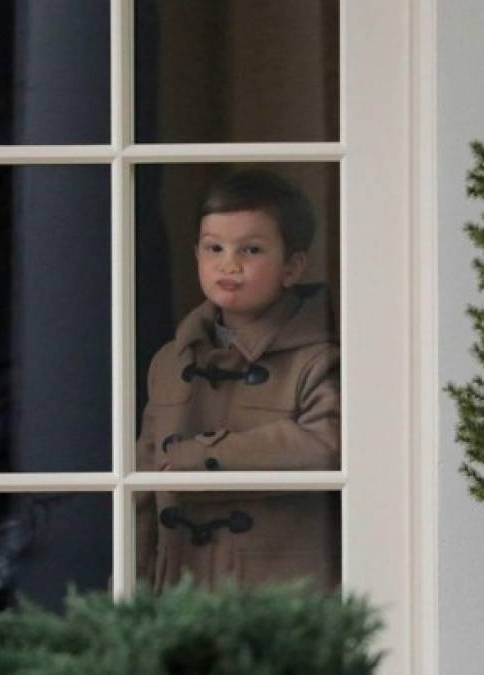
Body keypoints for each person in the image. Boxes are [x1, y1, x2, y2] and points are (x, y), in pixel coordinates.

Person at [136, 169, 340, 591]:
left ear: (292, 266)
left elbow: (328, 442)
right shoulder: (169, 363)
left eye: (251, 249)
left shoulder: (320, 356)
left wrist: (201, 458)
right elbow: (142, 489)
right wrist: (137, 589)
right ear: (196, 255)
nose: (229, 264)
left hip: (283, 594)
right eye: (214, 248)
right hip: (181, 590)